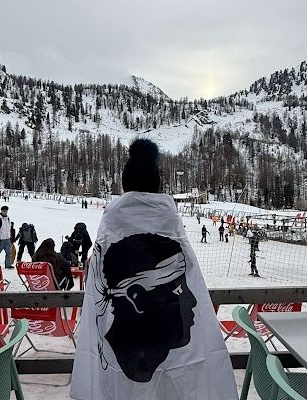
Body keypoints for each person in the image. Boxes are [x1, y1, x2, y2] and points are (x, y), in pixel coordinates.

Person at [70, 138, 237, 399]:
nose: (191, 299)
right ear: (135, 296)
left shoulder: (113, 220)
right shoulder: (168, 219)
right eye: (178, 287)